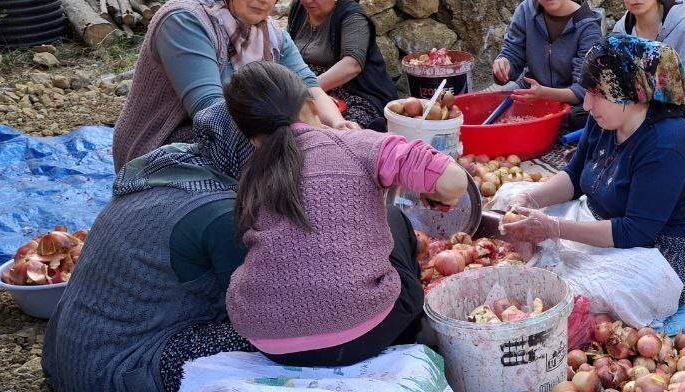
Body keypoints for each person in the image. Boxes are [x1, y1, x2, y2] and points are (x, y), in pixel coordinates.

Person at [223, 61, 469, 367]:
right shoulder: (356, 145)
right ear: (313, 106)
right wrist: (433, 192)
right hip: (360, 335)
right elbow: (455, 181)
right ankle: (410, 335)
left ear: (250, 136)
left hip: (270, 340)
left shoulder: (252, 175)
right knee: (394, 218)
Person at [43, 104, 256, 392]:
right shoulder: (221, 213)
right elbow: (256, 311)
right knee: (274, 337)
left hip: (68, 361)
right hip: (115, 383)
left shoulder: (174, 162)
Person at [504, 35, 685, 305]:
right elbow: (574, 177)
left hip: (673, 249)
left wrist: (554, 228)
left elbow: (634, 231)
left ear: (631, 95)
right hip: (607, 220)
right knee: (510, 195)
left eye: (597, 94)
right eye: (588, 93)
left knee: (585, 292)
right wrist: (531, 199)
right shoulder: (604, 120)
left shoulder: (667, 143)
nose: (586, 105)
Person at [113, 0, 356, 171]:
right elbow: (210, 111)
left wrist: (336, 125)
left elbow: (309, 86)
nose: (263, 1)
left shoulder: (272, 35)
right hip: (163, 144)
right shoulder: (184, 21)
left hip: (240, 131)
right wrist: (304, 139)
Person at [612, 0, 685, 157]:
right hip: (639, 104)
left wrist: (656, 113)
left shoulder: (684, 26)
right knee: (589, 117)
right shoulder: (621, 31)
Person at [287, 0, 398, 131]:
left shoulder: (352, 16)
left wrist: (308, 90)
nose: (307, 1)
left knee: (342, 132)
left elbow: (352, 65)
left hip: (356, 93)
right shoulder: (299, 9)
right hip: (310, 88)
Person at [492, 0, 602, 130]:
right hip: (530, 91)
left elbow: (584, 89)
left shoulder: (588, 26)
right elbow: (512, 52)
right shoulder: (525, 11)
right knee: (492, 105)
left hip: (569, 102)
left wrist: (544, 93)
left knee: (581, 117)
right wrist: (503, 65)